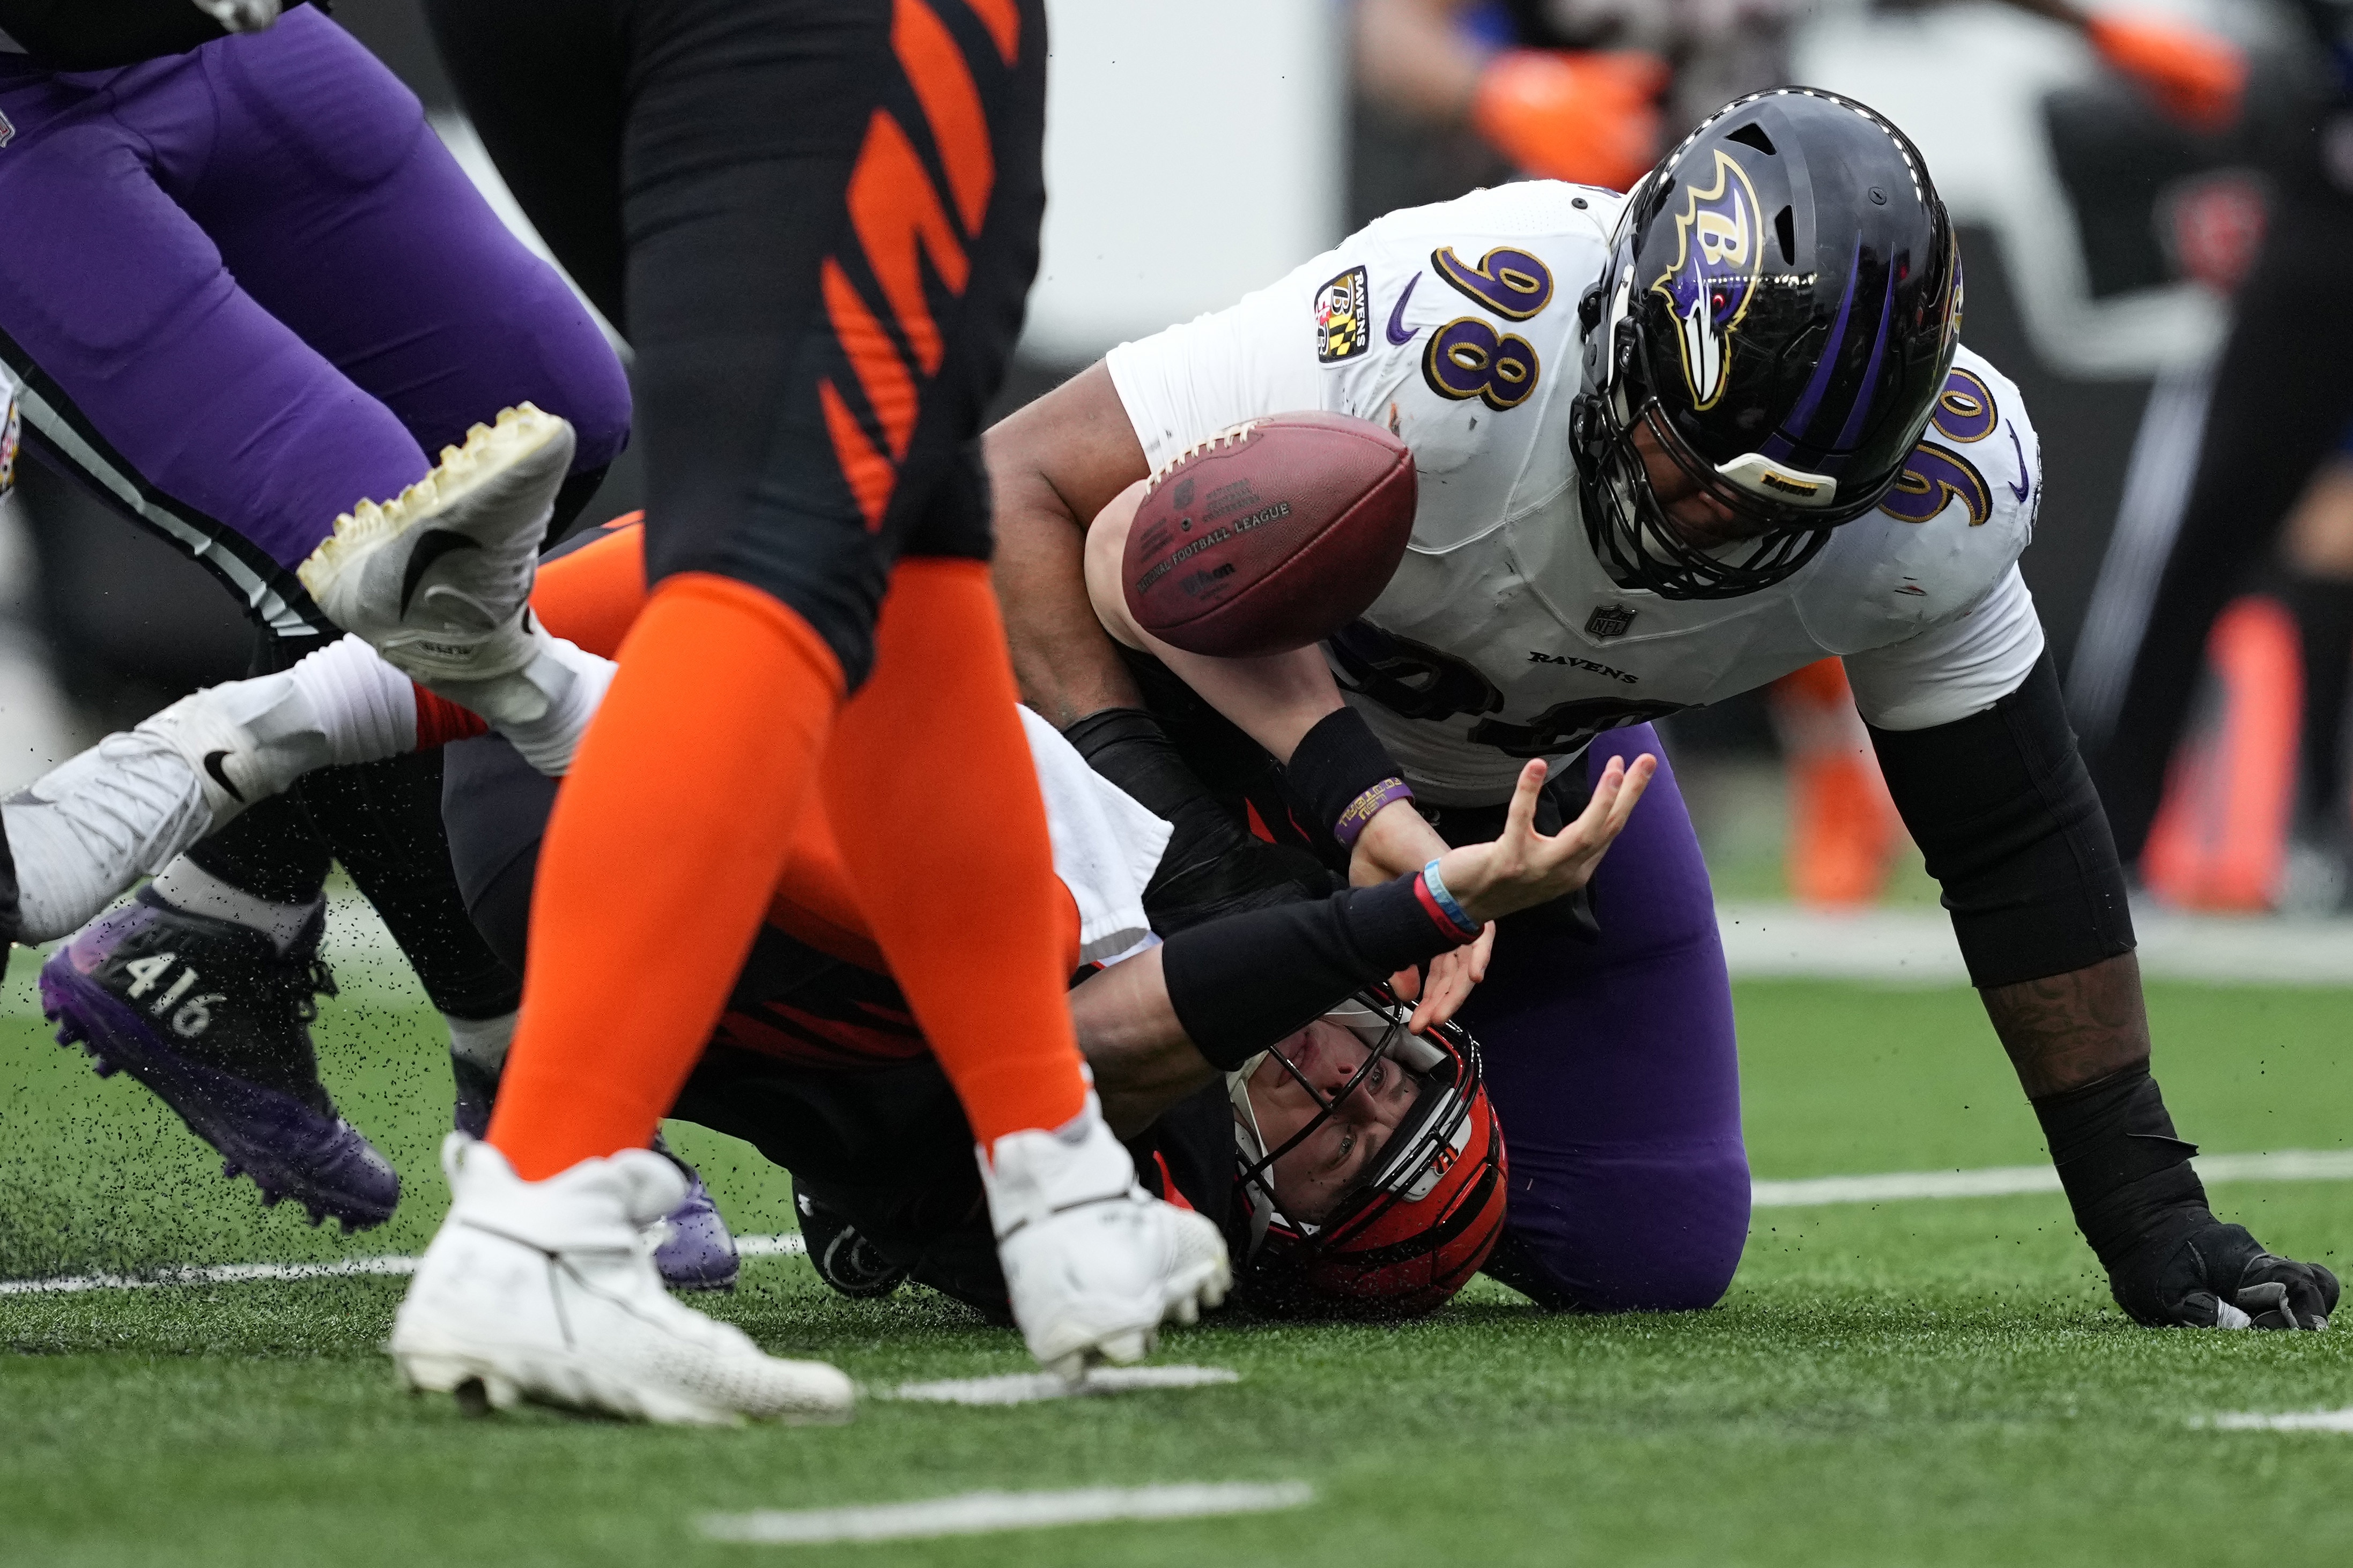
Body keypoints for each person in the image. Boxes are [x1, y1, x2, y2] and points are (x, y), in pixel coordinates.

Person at [986, 87, 2340, 1333]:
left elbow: (2016, 843)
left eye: (1778, 509)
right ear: (1617, 330)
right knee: (1124, 1144)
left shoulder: (1946, 493)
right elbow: (1021, 491)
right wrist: (1194, 863)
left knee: (1647, 1233)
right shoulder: (1453, 327)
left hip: (1536, 781)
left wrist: (2142, 1198)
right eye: (1692, 465)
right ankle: (973, 1160)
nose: (1711, 525)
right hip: (1227, 743)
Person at [0, 0, 662, 1248]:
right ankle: (521, 1078)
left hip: (210, 48)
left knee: (545, 406)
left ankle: (227, 922)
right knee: (369, 543)